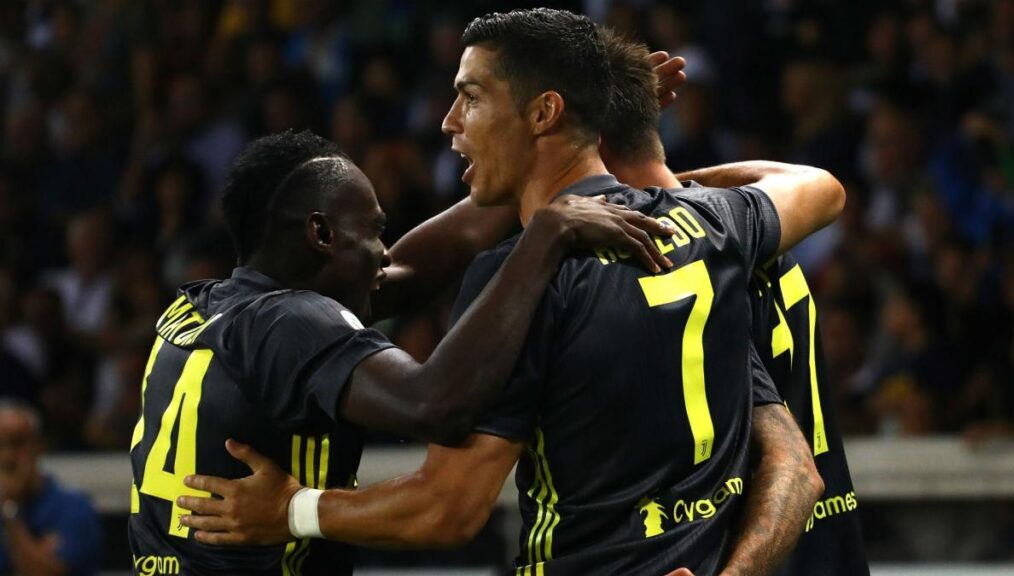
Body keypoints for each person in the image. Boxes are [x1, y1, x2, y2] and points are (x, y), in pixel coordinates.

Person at [179, 9, 839, 575]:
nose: (449, 122)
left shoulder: (522, 277)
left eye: (470, 97)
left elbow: (447, 508)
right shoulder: (714, 227)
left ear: (544, 111)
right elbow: (819, 189)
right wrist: (652, 181)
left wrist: (292, 510)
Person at [128, 129, 673, 575]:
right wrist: (546, 235)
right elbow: (434, 404)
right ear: (321, 234)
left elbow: (436, 256)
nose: (385, 253)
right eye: (374, 231)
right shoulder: (293, 321)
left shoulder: (204, 308)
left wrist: (563, 146)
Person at [597, 29, 870, 576]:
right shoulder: (745, 223)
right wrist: (682, 187)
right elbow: (810, 183)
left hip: (747, 548)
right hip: (833, 544)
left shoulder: (655, 260)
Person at [0, 399, 102, 576]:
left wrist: (9, 510)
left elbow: (42, 572)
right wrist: (37, 549)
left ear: (38, 446)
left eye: (17, 443)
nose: (8, 457)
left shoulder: (74, 509)